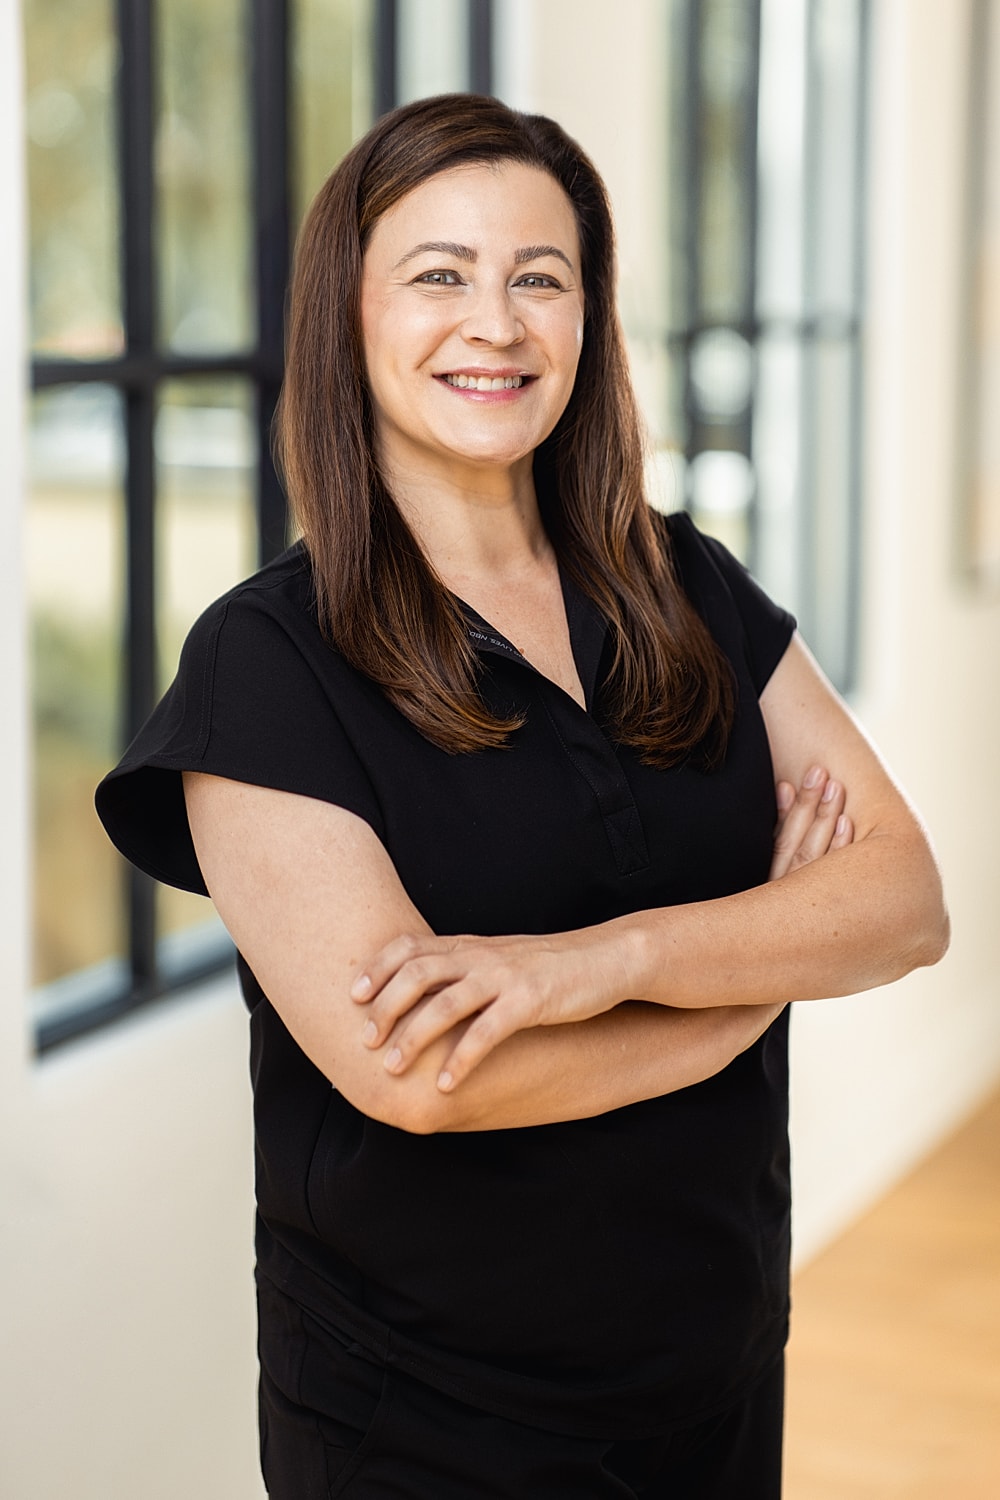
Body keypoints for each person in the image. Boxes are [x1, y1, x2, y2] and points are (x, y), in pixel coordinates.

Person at [96, 94, 948, 1499]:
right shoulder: (267, 665)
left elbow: (905, 905)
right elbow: (423, 1077)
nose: (495, 323)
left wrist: (593, 968)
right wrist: (760, 970)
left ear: (586, 319)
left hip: (714, 1360)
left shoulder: (685, 585)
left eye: (537, 278)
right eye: (440, 274)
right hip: (431, 1420)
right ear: (348, 315)